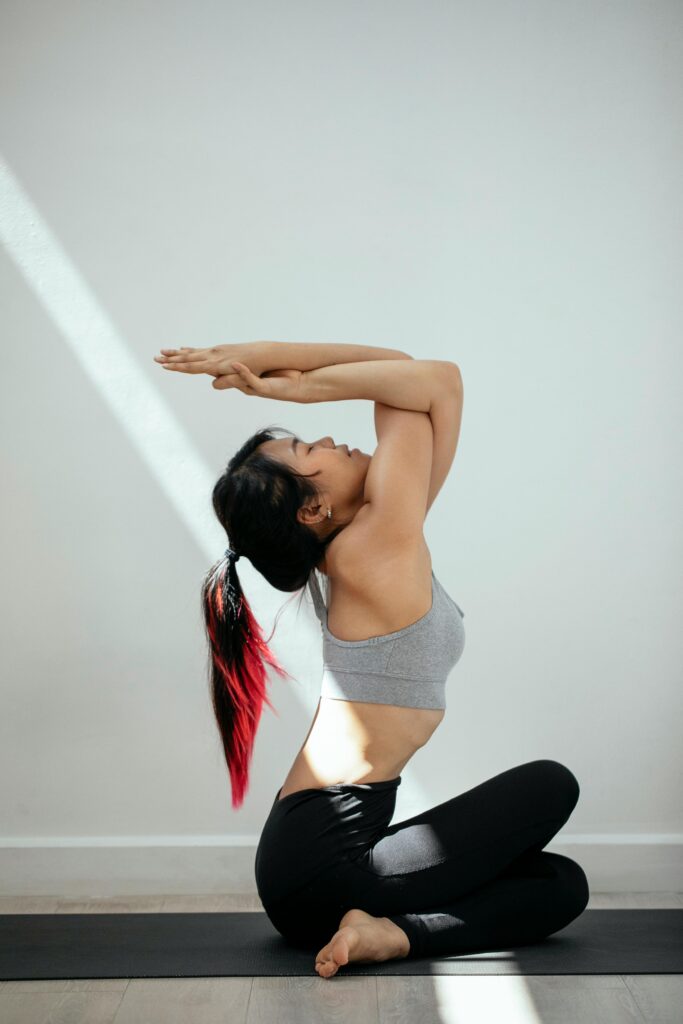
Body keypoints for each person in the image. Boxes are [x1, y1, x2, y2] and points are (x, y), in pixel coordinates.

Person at [154, 340, 589, 978]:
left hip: (314, 866)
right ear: (312, 508)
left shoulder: (381, 532)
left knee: (560, 885)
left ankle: (389, 934)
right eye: (310, 450)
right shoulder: (372, 546)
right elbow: (432, 381)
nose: (330, 437)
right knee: (553, 784)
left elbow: (404, 370)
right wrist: (291, 388)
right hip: (322, 866)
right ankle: (379, 930)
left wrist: (263, 355)